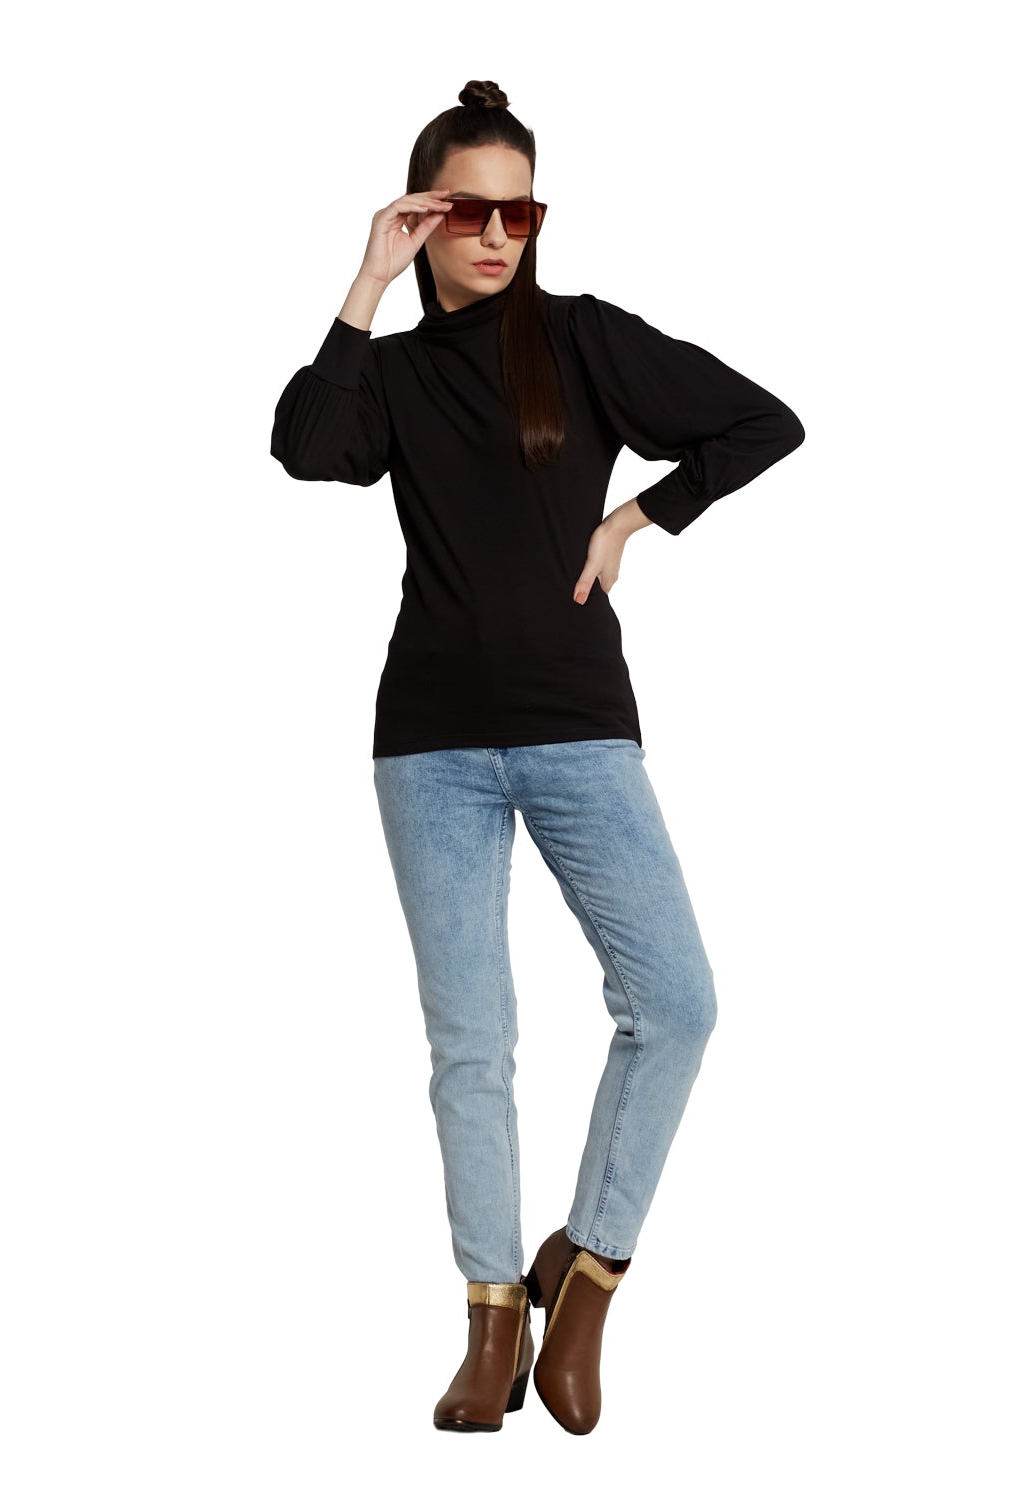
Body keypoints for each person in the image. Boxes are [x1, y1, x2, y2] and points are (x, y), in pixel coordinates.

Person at [270, 79, 804, 1435]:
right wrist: (364, 282)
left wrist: (635, 520)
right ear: (424, 217)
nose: (500, 234)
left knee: (676, 1002)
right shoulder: (393, 373)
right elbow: (306, 448)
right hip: (431, 745)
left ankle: (591, 1269)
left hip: (579, 729)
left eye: (522, 210)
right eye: (470, 212)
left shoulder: (582, 340)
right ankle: (491, 1317)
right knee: (473, 1044)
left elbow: (762, 421)